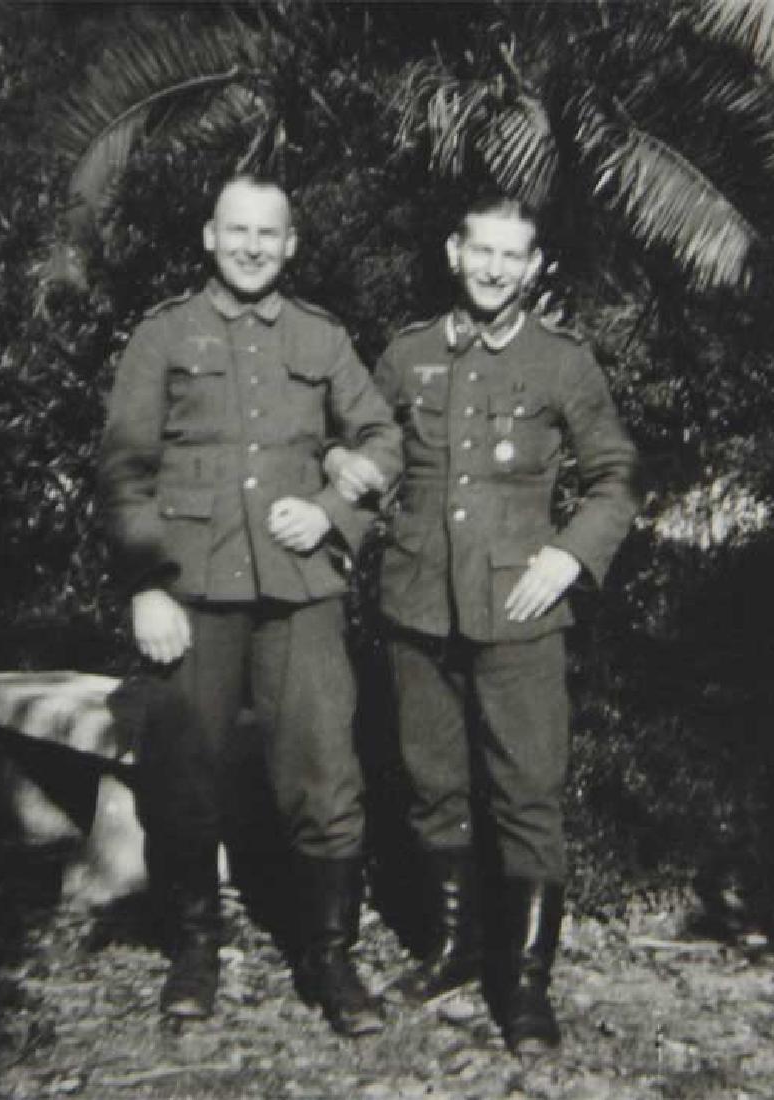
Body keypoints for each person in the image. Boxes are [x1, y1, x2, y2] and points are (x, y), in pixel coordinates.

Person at [326, 196, 638, 1053]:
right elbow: (365, 451)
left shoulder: (563, 362)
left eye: (514, 256)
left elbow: (614, 476)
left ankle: (526, 982)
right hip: (418, 604)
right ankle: (457, 946)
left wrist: (568, 556)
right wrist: (333, 490)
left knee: (527, 793)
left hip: (520, 611)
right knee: (433, 785)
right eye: (481, 251)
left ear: (535, 267)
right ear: (452, 250)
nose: (495, 269)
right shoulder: (410, 354)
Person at [97, 174, 401, 1038]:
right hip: (190, 591)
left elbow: (382, 438)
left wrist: (335, 512)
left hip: (300, 592)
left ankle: (330, 958)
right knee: (184, 771)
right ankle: (196, 947)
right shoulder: (163, 335)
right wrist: (146, 582)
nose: (254, 247)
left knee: (321, 768)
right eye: (238, 231)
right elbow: (124, 471)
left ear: (292, 243)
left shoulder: (320, 336)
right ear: (209, 236)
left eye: (270, 234)